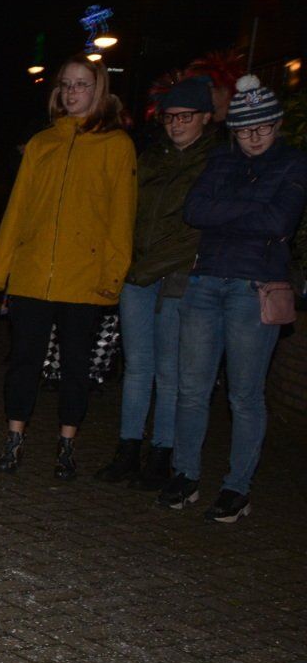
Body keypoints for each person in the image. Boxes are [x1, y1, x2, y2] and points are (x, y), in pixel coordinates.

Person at [160, 75, 307, 522]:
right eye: (245, 130)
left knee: (244, 395)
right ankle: (185, 475)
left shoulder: (294, 163)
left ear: (277, 124)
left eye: (262, 128)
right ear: (233, 131)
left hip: (254, 289)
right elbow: (194, 211)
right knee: (192, 390)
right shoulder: (221, 160)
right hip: (205, 282)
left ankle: (237, 488)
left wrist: (225, 212)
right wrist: (252, 209)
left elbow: (280, 220)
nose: (254, 137)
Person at [0, 59, 136, 479]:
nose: (72, 92)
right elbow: (17, 210)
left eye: (81, 85)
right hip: (33, 274)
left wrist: (112, 277)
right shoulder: (42, 142)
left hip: (83, 277)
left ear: (98, 91)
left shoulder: (117, 145)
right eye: (66, 84)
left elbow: (121, 218)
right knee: (23, 362)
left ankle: (67, 442)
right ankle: (14, 437)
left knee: (75, 367)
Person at [95, 76, 216, 488]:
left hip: (178, 275)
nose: (176, 124)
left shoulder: (215, 161)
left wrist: (150, 265)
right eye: (170, 117)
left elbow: (198, 229)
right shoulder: (151, 156)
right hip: (139, 272)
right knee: (137, 366)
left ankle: (161, 453)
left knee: (169, 370)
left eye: (185, 117)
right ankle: (128, 448)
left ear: (206, 117)